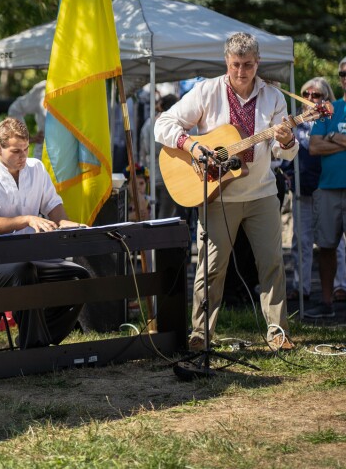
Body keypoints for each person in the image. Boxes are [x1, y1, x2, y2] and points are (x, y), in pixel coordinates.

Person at [154, 32, 298, 351]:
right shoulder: (206, 91)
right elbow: (163, 123)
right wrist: (191, 145)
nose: (241, 71)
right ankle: (201, 332)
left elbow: (282, 152)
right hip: (217, 196)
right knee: (211, 266)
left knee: (272, 262)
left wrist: (287, 140)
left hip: (261, 193)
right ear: (226, 63)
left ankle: (277, 331)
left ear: (257, 63)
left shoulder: (273, 97)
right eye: (235, 65)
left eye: (248, 64)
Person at [0, 118, 88, 348]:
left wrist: (67, 223)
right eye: (15, 151)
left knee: (79, 277)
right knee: (25, 272)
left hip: (32, 255)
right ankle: (35, 347)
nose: (23, 156)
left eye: (26, 149)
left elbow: (52, 204)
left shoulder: (36, 168)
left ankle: (39, 341)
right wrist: (25, 219)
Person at [288, 77, 346, 303]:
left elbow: (318, 148)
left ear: (326, 97)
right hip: (303, 187)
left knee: (335, 242)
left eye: (317, 95)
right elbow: (296, 152)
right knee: (301, 242)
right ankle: (300, 287)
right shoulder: (295, 123)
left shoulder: (332, 116)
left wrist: (330, 139)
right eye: (306, 94)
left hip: (327, 186)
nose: (310, 99)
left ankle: (340, 286)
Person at [306, 62, 346, 318]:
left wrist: (330, 138)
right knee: (326, 246)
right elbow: (313, 147)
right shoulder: (331, 110)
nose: (345, 78)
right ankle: (327, 303)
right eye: (343, 74)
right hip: (328, 187)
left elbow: (323, 142)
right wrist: (335, 140)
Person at [139, 93, 179, 218]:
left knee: (152, 215)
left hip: (151, 175)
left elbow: (142, 152)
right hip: (169, 176)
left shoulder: (147, 124)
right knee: (165, 217)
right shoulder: (175, 124)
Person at [7, 80, 47, 159]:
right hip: (44, 157)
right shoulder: (44, 88)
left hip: (71, 157)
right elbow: (15, 109)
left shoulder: (77, 81)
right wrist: (24, 138)